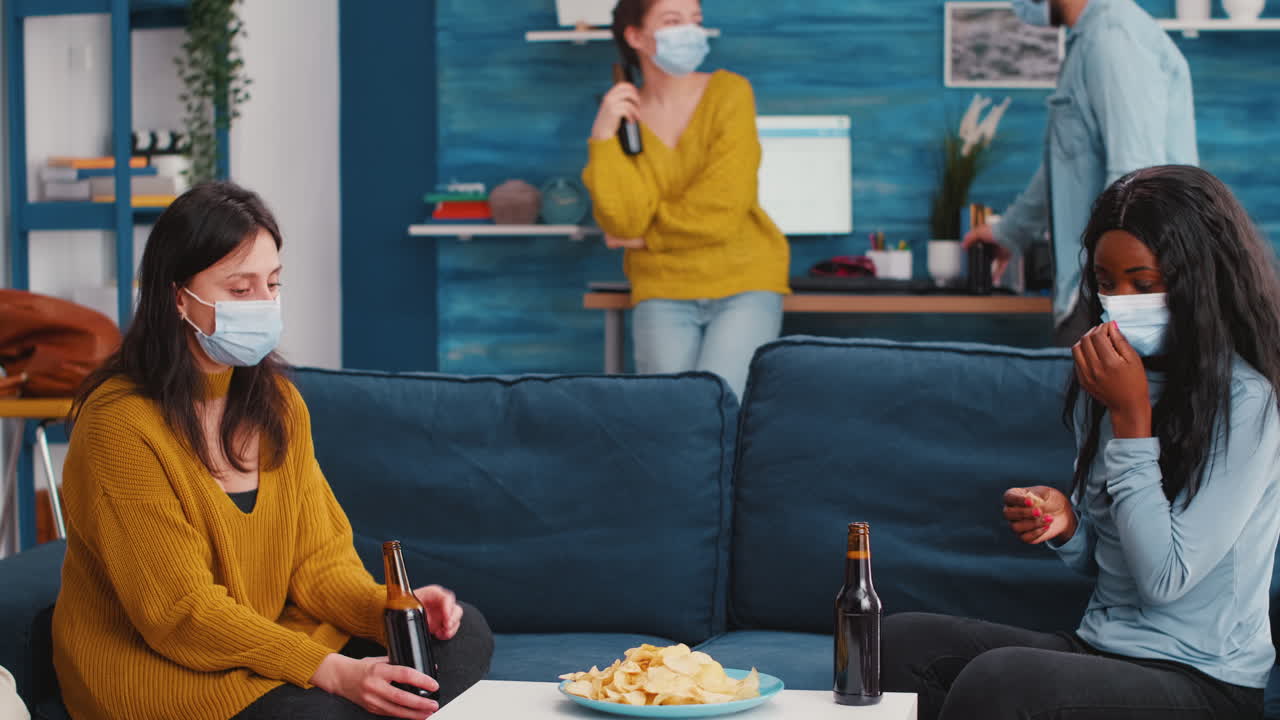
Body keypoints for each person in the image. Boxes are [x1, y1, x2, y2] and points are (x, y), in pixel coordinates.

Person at [52, 182, 493, 720]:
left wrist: (392, 611)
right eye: (240, 289)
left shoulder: (278, 404)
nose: (263, 304)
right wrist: (333, 671)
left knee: (461, 631)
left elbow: (318, 564)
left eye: (273, 283)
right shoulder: (119, 425)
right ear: (177, 297)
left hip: (262, 641)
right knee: (335, 709)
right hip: (161, 668)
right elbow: (180, 613)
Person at [882, 165, 1280, 719]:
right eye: (1106, 282)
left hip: (1204, 678)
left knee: (1000, 682)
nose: (1120, 301)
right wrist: (1068, 526)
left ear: (1199, 280)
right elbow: (1110, 561)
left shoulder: (1245, 401)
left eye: (1143, 284)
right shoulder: (1107, 382)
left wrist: (1132, 418)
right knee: (892, 644)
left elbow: (1164, 579)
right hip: (1103, 647)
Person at [582, 0, 790, 399]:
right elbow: (623, 222)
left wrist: (648, 239)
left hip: (744, 282)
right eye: (672, 20)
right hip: (661, 288)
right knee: (669, 413)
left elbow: (722, 210)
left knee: (719, 404)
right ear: (636, 36)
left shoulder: (730, 93)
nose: (690, 31)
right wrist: (603, 136)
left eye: (696, 20)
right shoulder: (625, 120)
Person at [963, 0, 1197, 347]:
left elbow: (1137, 179)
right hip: (1100, 287)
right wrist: (1009, 232)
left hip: (1111, 295)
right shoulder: (1090, 40)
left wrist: (1117, 297)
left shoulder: (1113, 37)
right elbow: (1065, 162)